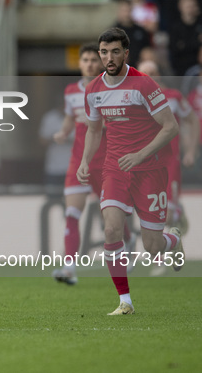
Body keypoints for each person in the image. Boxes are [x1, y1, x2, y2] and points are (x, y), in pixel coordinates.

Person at [78, 27, 183, 316]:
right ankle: (125, 301)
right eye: (104, 52)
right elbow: (94, 129)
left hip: (149, 168)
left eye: (114, 52)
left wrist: (140, 154)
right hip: (116, 167)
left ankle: (171, 239)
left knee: (152, 247)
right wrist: (86, 161)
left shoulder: (143, 84)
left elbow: (171, 127)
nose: (108, 58)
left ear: (126, 53)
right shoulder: (94, 90)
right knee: (111, 229)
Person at [137, 59, 200, 275]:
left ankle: (163, 256)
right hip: (144, 165)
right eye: (144, 73)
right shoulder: (134, 100)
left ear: (159, 74)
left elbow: (192, 120)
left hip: (169, 163)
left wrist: (190, 151)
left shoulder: (173, 97)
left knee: (166, 213)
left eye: (152, 72)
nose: (149, 77)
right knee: (150, 214)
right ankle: (165, 251)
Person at [51, 43, 106, 285]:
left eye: (94, 59)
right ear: (80, 63)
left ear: (101, 63)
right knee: (72, 214)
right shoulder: (71, 90)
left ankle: (127, 244)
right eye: (85, 59)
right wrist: (63, 132)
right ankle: (69, 268)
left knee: (111, 216)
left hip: (106, 161)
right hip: (79, 161)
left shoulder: (110, 88)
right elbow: (69, 118)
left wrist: (98, 121)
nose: (90, 63)